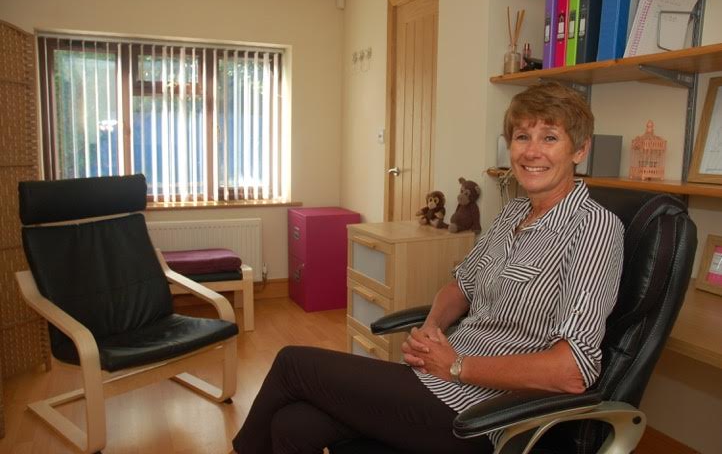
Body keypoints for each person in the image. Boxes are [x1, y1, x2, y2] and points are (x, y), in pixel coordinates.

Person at [231, 82, 624, 454]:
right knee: (293, 425)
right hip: (436, 376)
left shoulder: (594, 228)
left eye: (550, 138)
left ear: (580, 149)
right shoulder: (514, 213)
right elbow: (460, 286)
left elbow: (574, 369)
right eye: (522, 137)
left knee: (292, 362)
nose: (531, 152)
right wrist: (430, 332)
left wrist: (457, 366)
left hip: (483, 413)